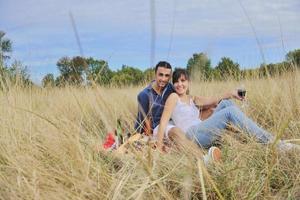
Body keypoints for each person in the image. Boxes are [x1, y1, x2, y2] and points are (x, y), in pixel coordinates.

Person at [157, 68, 300, 152]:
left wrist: (232, 93)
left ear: (188, 82)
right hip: (191, 136)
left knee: (225, 103)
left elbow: (213, 99)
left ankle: (252, 136)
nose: (179, 84)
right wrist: (158, 145)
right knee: (229, 113)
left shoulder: (192, 98)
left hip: (201, 129)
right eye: (176, 81)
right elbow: (163, 122)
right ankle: (275, 143)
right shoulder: (173, 97)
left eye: (183, 81)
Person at [134, 62, 221, 161]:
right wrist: (147, 139)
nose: (163, 79)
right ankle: (203, 158)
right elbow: (141, 121)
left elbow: (185, 97)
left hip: (173, 120)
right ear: (155, 74)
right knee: (175, 131)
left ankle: (218, 140)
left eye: (167, 76)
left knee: (210, 111)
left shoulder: (170, 87)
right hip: (159, 126)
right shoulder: (144, 95)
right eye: (160, 75)